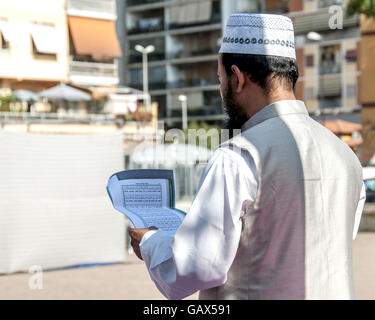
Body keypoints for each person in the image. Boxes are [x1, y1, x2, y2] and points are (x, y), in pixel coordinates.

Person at [129, 13, 366, 300]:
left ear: (237, 78)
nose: (221, 90)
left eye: (220, 79)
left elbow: (195, 267)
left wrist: (151, 241)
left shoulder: (236, 157)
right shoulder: (345, 155)